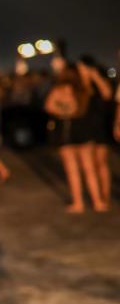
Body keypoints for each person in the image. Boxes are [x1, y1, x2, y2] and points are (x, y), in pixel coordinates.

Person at [44, 64, 107, 213]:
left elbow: (49, 107)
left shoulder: (58, 90)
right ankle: (97, 202)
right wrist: (89, 75)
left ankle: (78, 203)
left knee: (72, 170)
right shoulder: (83, 89)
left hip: (65, 132)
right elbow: (105, 93)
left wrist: (63, 111)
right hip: (84, 131)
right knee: (89, 169)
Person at [77, 57, 113, 206]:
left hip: (100, 126)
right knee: (89, 164)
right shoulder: (79, 84)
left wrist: (95, 77)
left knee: (101, 162)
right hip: (84, 126)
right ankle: (96, 197)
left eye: (81, 67)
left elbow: (107, 94)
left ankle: (105, 195)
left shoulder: (100, 81)